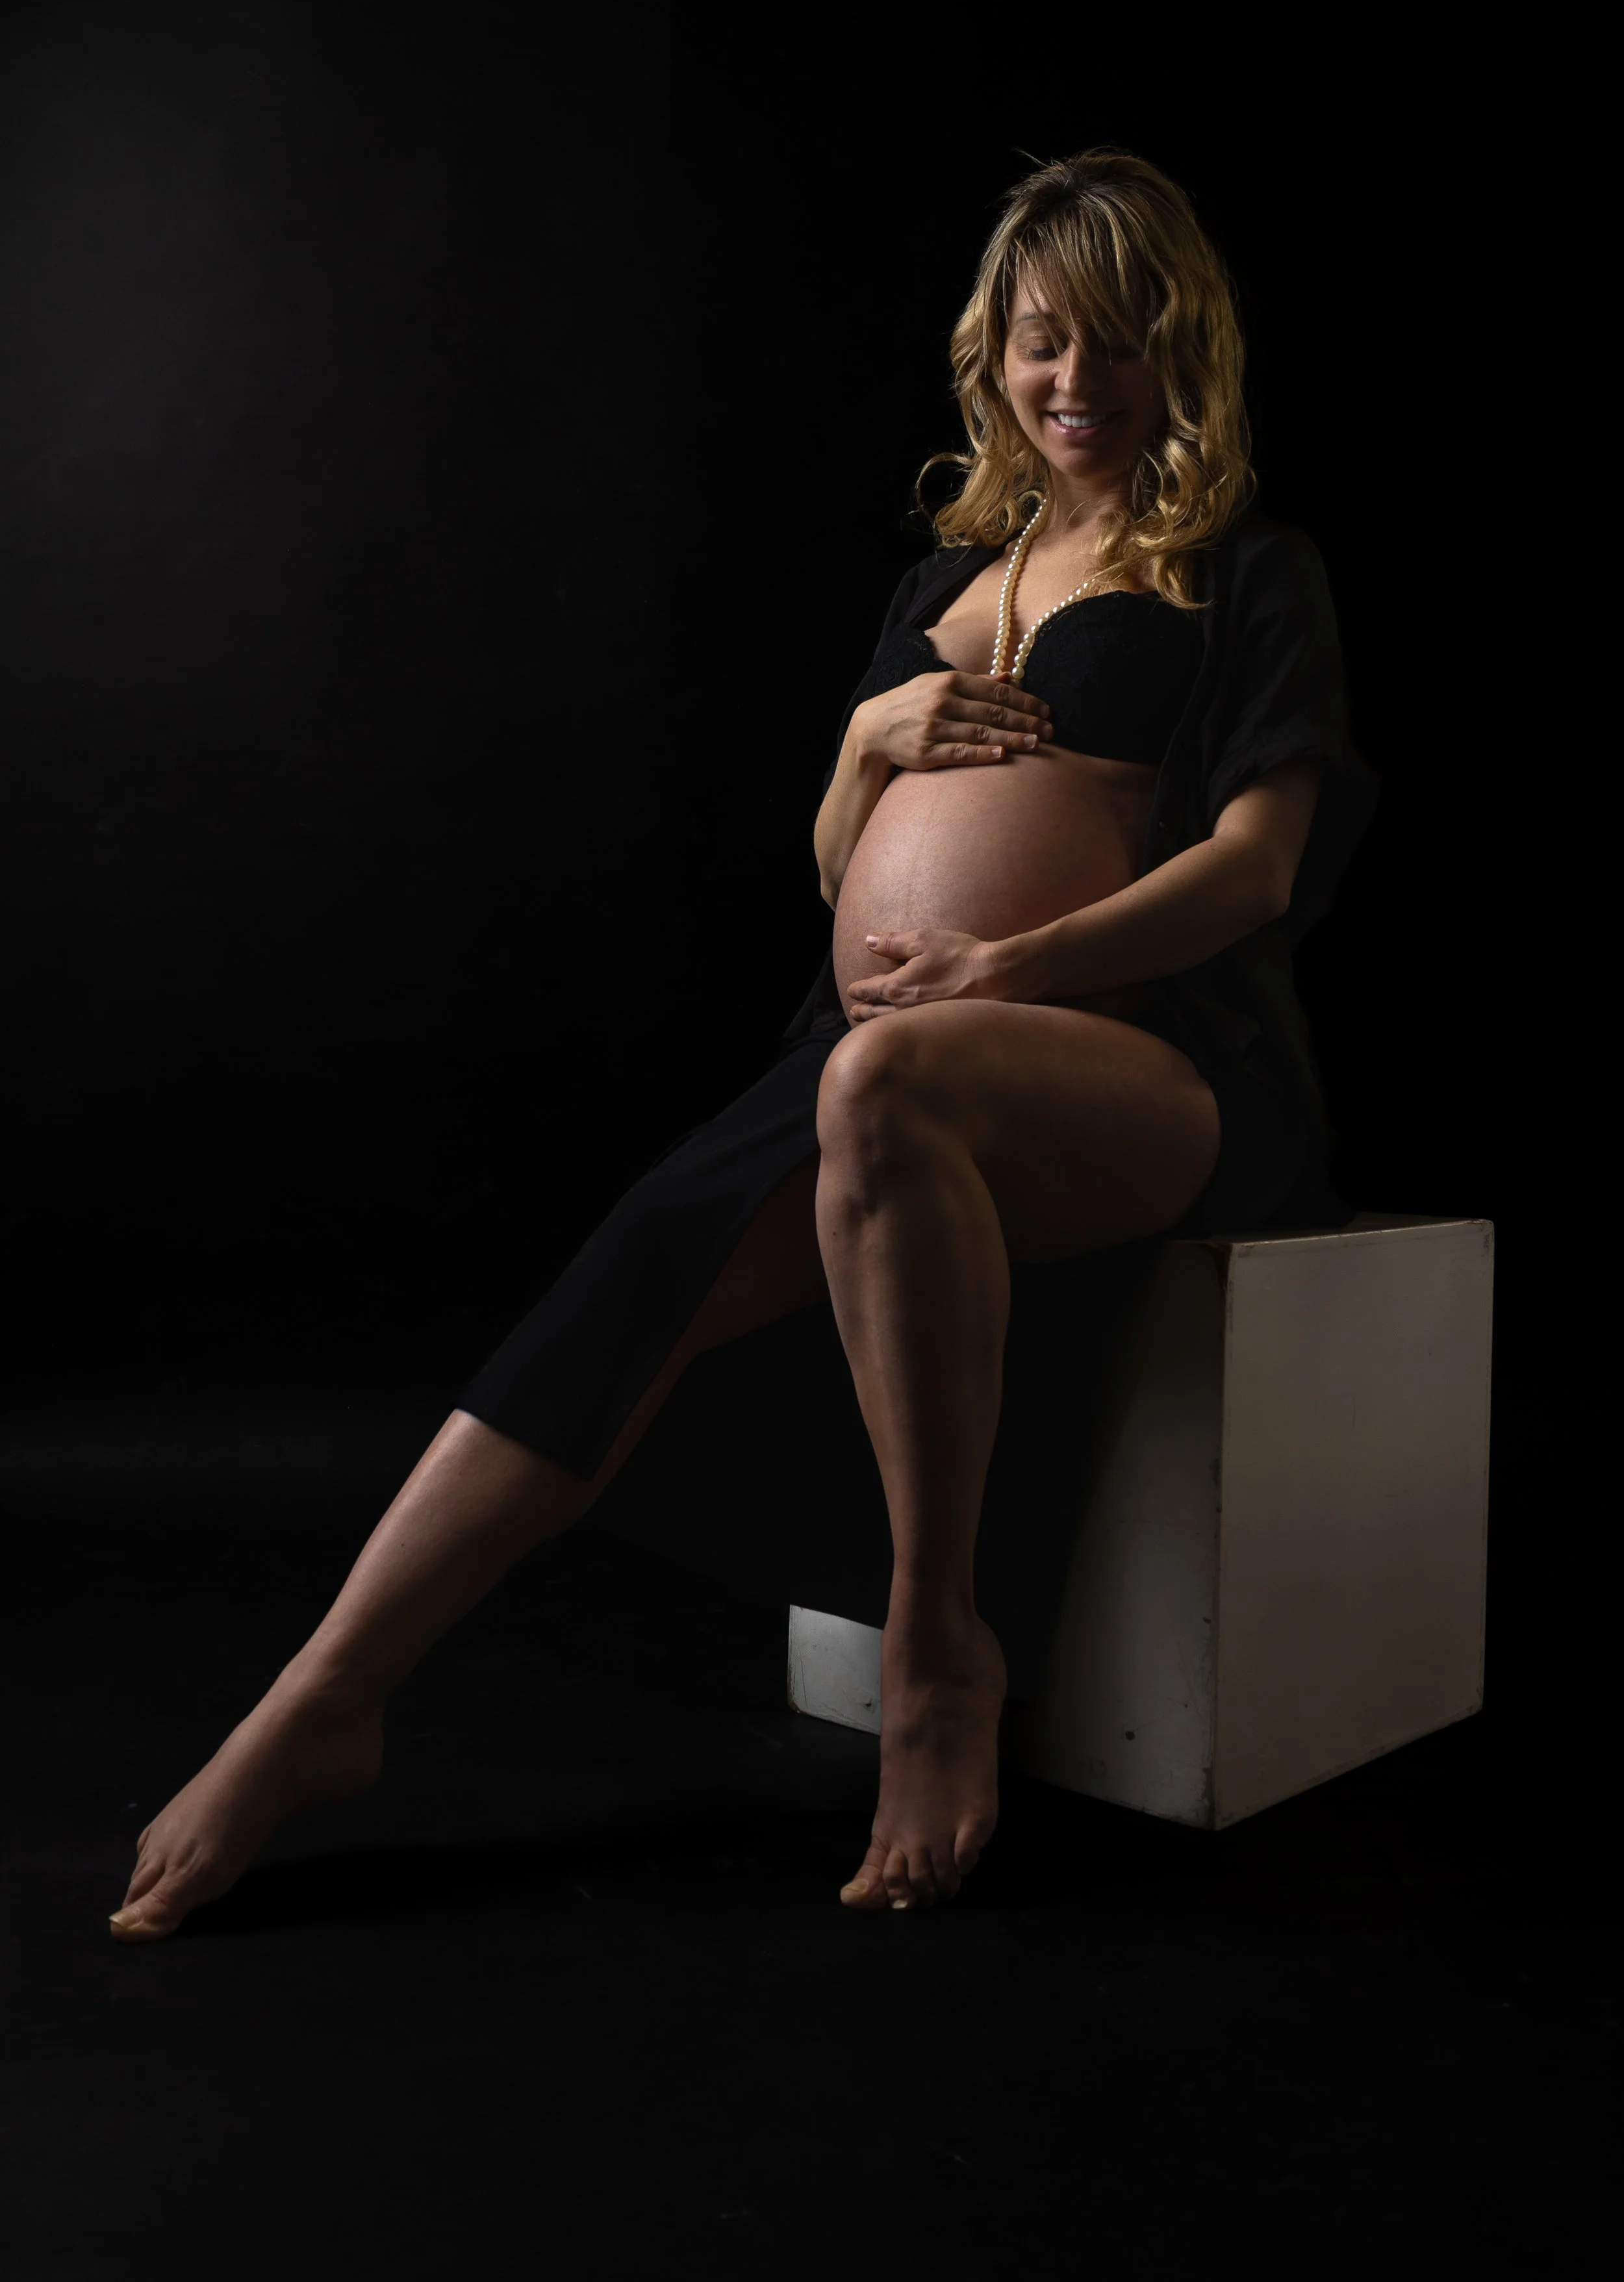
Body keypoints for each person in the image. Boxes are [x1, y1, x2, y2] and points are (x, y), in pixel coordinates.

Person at [108, 147, 1378, 1939]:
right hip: (885, 1054)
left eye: (1115, 346)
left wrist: (1010, 961)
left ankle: (935, 1648)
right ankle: (324, 1699)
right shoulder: (945, 576)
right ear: (990, 356)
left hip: (1150, 1060)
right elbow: (832, 867)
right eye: (1039, 345)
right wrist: (868, 753)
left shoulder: (1246, 571)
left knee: (882, 1077)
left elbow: (1253, 868)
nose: (1074, 386)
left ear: (1185, 354)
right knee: (633, 1264)